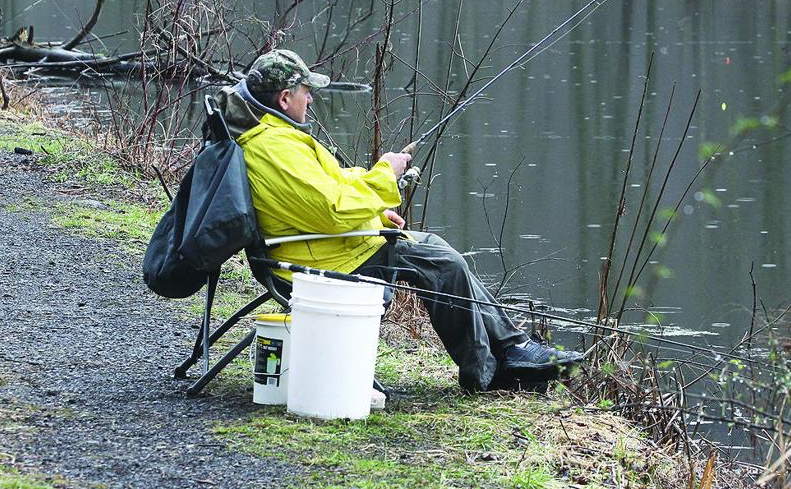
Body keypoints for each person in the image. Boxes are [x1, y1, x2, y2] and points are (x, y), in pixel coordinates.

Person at [219, 49, 583, 392]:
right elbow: (331, 209)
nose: (311, 99)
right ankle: (489, 373)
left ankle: (510, 351)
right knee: (442, 262)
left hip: (323, 247)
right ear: (285, 99)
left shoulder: (278, 138)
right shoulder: (274, 148)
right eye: (305, 92)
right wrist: (385, 177)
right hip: (316, 261)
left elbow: (329, 190)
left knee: (438, 253)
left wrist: (376, 210)